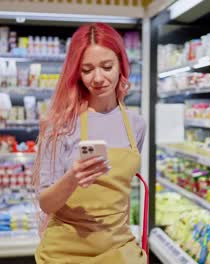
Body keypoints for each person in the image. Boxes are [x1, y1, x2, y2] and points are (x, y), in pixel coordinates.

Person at [33, 22, 147, 263]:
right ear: (76, 73)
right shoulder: (59, 125)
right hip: (65, 253)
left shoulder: (136, 125)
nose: (98, 78)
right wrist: (72, 178)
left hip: (118, 250)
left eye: (107, 67)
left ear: (121, 65)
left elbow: (121, 194)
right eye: (87, 69)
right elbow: (46, 203)